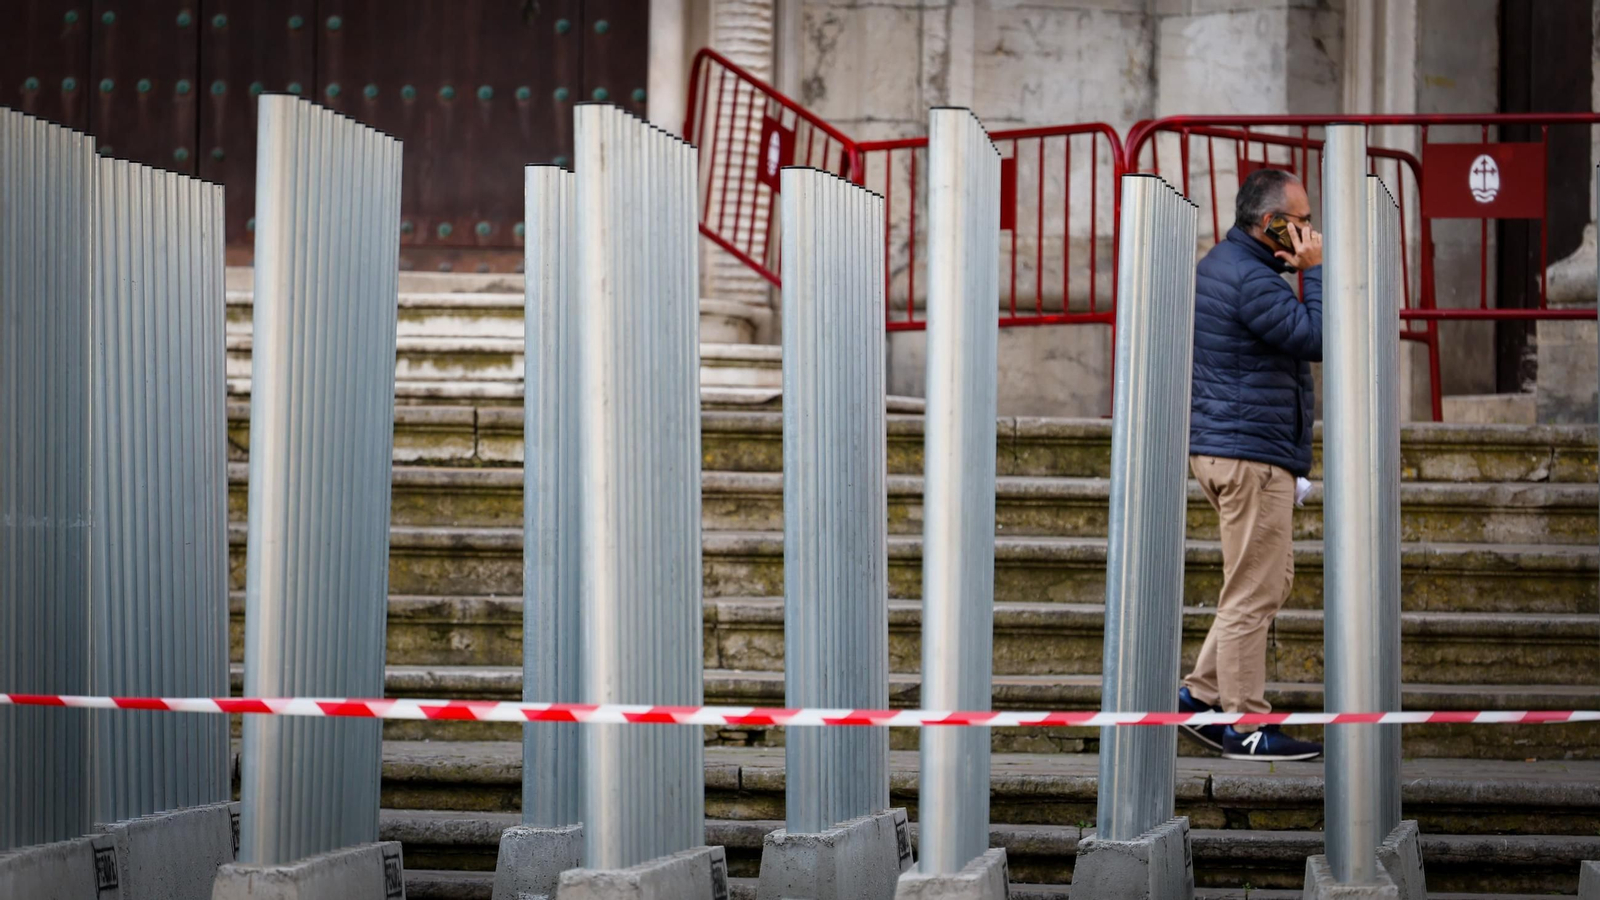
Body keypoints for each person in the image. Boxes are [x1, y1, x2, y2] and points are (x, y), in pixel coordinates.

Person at [1177, 168, 1325, 762]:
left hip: (1236, 449)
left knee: (1266, 582)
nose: (1311, 231)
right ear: (1273, 224)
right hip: (1249, 456)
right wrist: (1312, 271)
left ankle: (1197, 697)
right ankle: (1245, 724)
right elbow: (1316, 335)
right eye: (1304, 220)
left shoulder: (1231, 266)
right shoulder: (1251, 280)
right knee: (1251, 592)